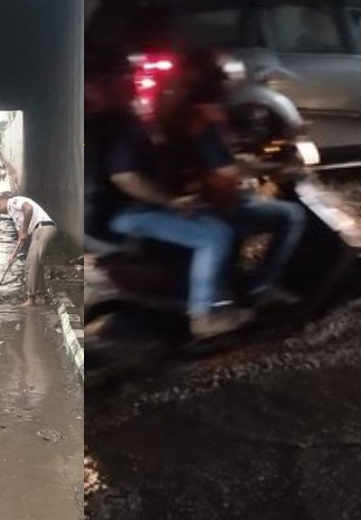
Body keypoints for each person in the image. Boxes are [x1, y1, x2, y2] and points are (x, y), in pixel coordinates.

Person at [85, 48, 247, 339]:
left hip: (118, 211)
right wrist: (171, 201)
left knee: (211, 219)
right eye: (120, 79)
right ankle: (205, 316)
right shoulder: (123, 123)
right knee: (214, 236)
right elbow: (126, 177)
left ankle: (211, 294)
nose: (129, 83)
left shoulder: (114, 120)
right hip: (122, 216)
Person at [154, 49, 306, 311]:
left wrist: (249, 163)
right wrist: (275, 167)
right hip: (211, 203)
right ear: (213, 81)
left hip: (195, 196)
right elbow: (225, 171)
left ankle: (232, 279)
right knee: (291, 215)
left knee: (251, 199)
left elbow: (221, 159)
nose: (229, 84)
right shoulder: (205, 117)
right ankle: (262, 288)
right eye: (224, 78)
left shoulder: (182, 111)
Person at [0, 194, 57, 307]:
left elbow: (28, 208)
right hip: (39, 231)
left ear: (0, 202)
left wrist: (25, 229)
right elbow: (21, 238)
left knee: (30, 264)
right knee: (36, 263)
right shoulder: (13, 215)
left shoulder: (13, 202)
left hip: (43, 228)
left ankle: (31, 299)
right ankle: (41, 296)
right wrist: (13, 255)